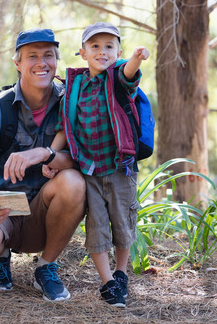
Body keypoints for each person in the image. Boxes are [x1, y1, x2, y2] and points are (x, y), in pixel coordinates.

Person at [0, 28, 86, 302]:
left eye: (48, 55)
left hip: (42, 212)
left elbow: (83, 162)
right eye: (32, 56)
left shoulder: (70, 103)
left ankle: (46, 266)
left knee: (74, 182)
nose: (42, 63)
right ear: (18, 64)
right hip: (1, 210)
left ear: (56, 61)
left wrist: (43, 154)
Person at [43, 22, 150, 308]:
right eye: (95, 46)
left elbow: (130, 74)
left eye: (109, 46)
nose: (102, 52)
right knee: (97, 227)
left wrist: (137, 59)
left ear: (118, 52)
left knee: (123, 222)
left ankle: (121, 272)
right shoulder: (74, 87)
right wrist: (51, 156)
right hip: (89, 169)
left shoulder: (117, 79)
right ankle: (108, 283)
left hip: (119, 167)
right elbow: (65, 127)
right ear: (82, 52)